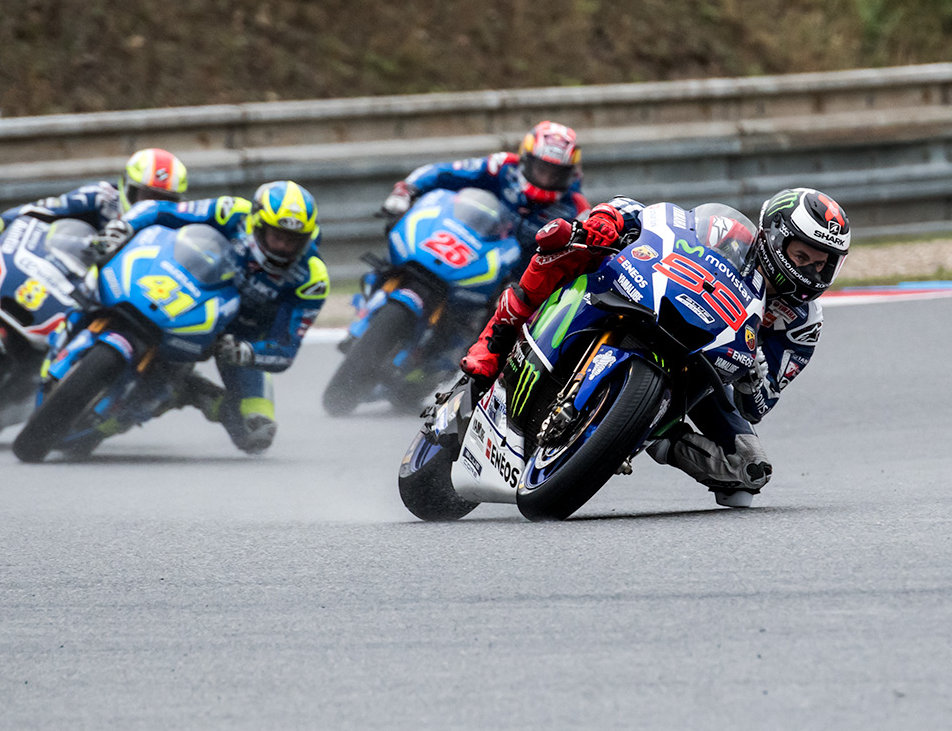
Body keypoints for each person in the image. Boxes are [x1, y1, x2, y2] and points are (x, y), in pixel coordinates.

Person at [459, 187, 851, 506]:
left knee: (748, 471)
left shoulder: (803, 324)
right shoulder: (728, 233)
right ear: (774, 238)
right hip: (654, 300)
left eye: (823, 265)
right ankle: (495, 341)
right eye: (802, 257)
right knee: (567, 241)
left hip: (708, 367)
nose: (811, 272)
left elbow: (756, 406)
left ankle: (651, 434)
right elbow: (662, 220)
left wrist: (755, 380)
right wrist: (610, 222)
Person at [88, 180, 328, 454]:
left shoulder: (311, 279)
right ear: (257, 224)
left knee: (256, 432)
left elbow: (285, 348)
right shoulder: (231, 212)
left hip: (236, 338)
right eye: (277, 236)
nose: (283, 247)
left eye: (293, 241)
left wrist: (246, 353)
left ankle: (189, 392)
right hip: (188, 293)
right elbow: (159, 210)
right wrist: (124, 226)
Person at [377, 120, 589, 260]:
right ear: (526, 159)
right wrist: (407, 190)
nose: (547, 178)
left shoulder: (576, 207)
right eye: (542, 169)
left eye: (556, 173)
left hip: (519, 285)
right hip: (468, 250)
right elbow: (445, 172)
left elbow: (587, 254)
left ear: (569, 173)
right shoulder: (501, 167)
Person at [0, 148, 188, 245]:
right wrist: (1, 221)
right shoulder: (102, 196)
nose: (152, 204)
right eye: (146, 195)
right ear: (126, 186)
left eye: (163, 199)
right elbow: (48, 208)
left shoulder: (179, 222)